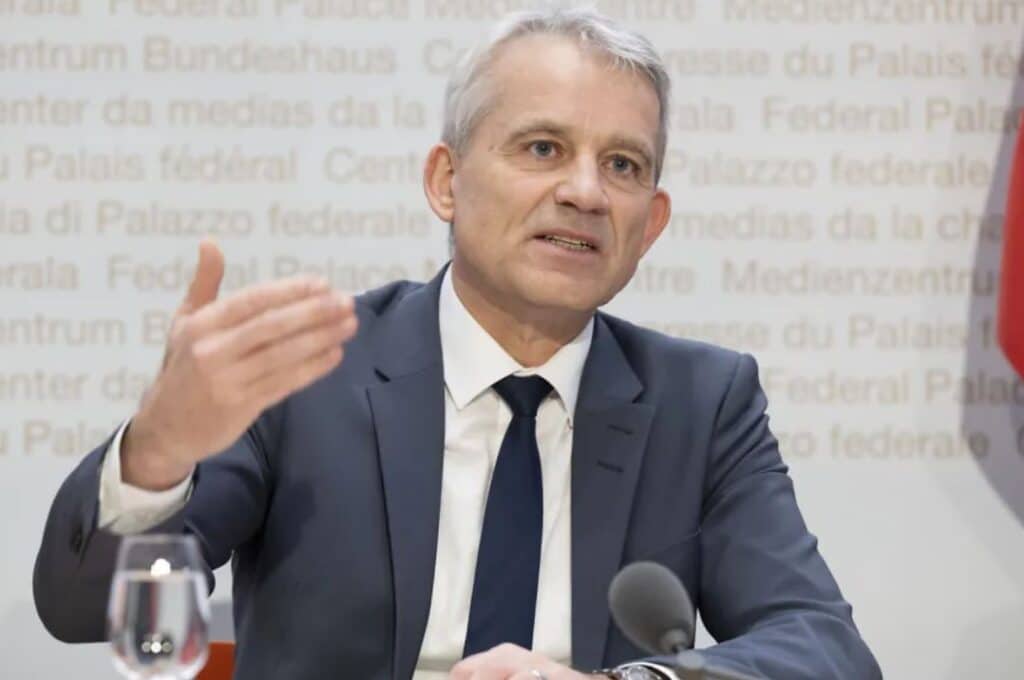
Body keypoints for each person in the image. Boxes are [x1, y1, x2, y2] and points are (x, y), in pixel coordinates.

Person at [33, 8, 881, 680]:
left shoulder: (702, 402)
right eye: (544, 147)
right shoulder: (312, 373)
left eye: (624, 165)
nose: (586, 192)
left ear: (650, 224)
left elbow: (823, 647)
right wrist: (158, 452)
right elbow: (82, 611)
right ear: (446, 181)